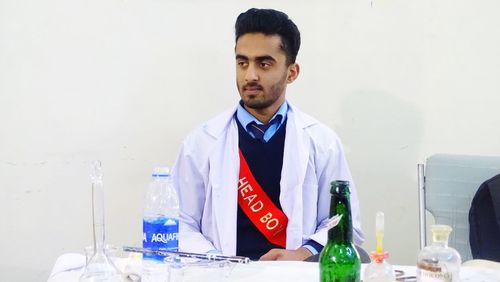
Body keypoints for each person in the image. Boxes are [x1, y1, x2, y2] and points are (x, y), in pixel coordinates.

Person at [172, 8, 364, 261]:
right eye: (243, 63)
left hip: (294, 275)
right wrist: (217, 262)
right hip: (223, 275)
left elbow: (342, 223)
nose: (250, 75)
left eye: (264, 64)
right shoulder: (202, 142)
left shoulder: (321, 142)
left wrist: (304, 253)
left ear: (292, 72)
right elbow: (178, 223)